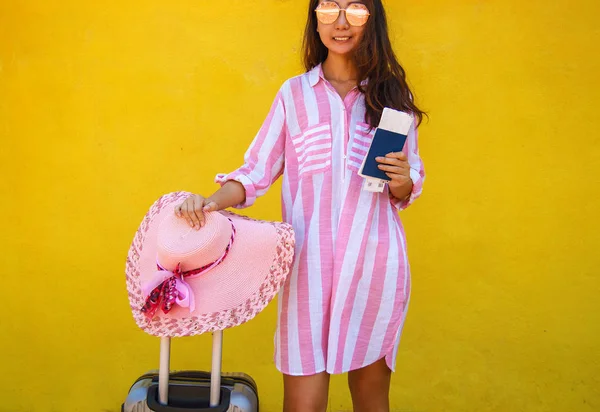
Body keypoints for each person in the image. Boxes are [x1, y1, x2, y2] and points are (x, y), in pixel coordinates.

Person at [176, 1, 425, 411]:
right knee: (303, 405)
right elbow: (255, 170)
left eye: (355, 12)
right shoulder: (294, 95)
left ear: (372, 20)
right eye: (329, 10)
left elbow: (406, 183)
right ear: (316, 18)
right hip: (307, 269)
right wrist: (212, 203)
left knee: (370, 400)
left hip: (373, 265)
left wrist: (403, 181)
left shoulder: (393, 97)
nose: (341, 23)